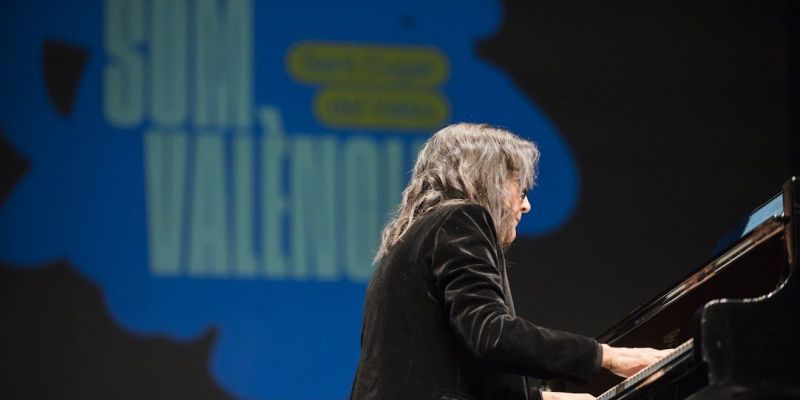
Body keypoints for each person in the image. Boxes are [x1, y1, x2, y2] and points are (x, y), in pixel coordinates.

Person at [350, 123, 670, 400]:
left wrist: (543, 397)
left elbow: (446, 367)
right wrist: (607, 356)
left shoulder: (406, 242)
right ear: (488, 180)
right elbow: (491, 334)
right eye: (521, 188)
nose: (526, 205)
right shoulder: (462, 218)